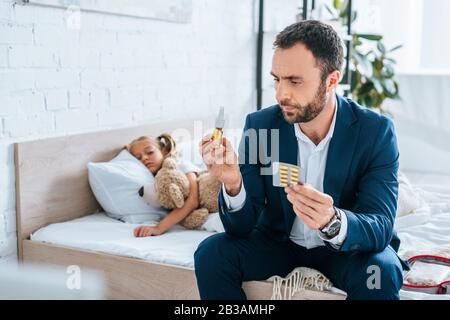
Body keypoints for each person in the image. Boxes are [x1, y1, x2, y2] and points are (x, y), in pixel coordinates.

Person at [196, 20, 409, 300]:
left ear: (332, 80)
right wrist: (234, 184)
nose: (281, 94)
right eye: (277, 79)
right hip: (279, 244)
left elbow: (380, 225)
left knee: (380, 271)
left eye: (294, 81)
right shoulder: (262, 126)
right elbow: (241, 228)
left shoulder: (374, 131)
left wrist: (332, 221)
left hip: (345, 250)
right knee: (212, 253)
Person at [126, 134, 199, 237]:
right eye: (138, 158)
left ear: (163, 151)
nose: (144, 158)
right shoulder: (156, 181)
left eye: (150, 152)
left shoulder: (181, 165)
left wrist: (158, 228)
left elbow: (193, 200)